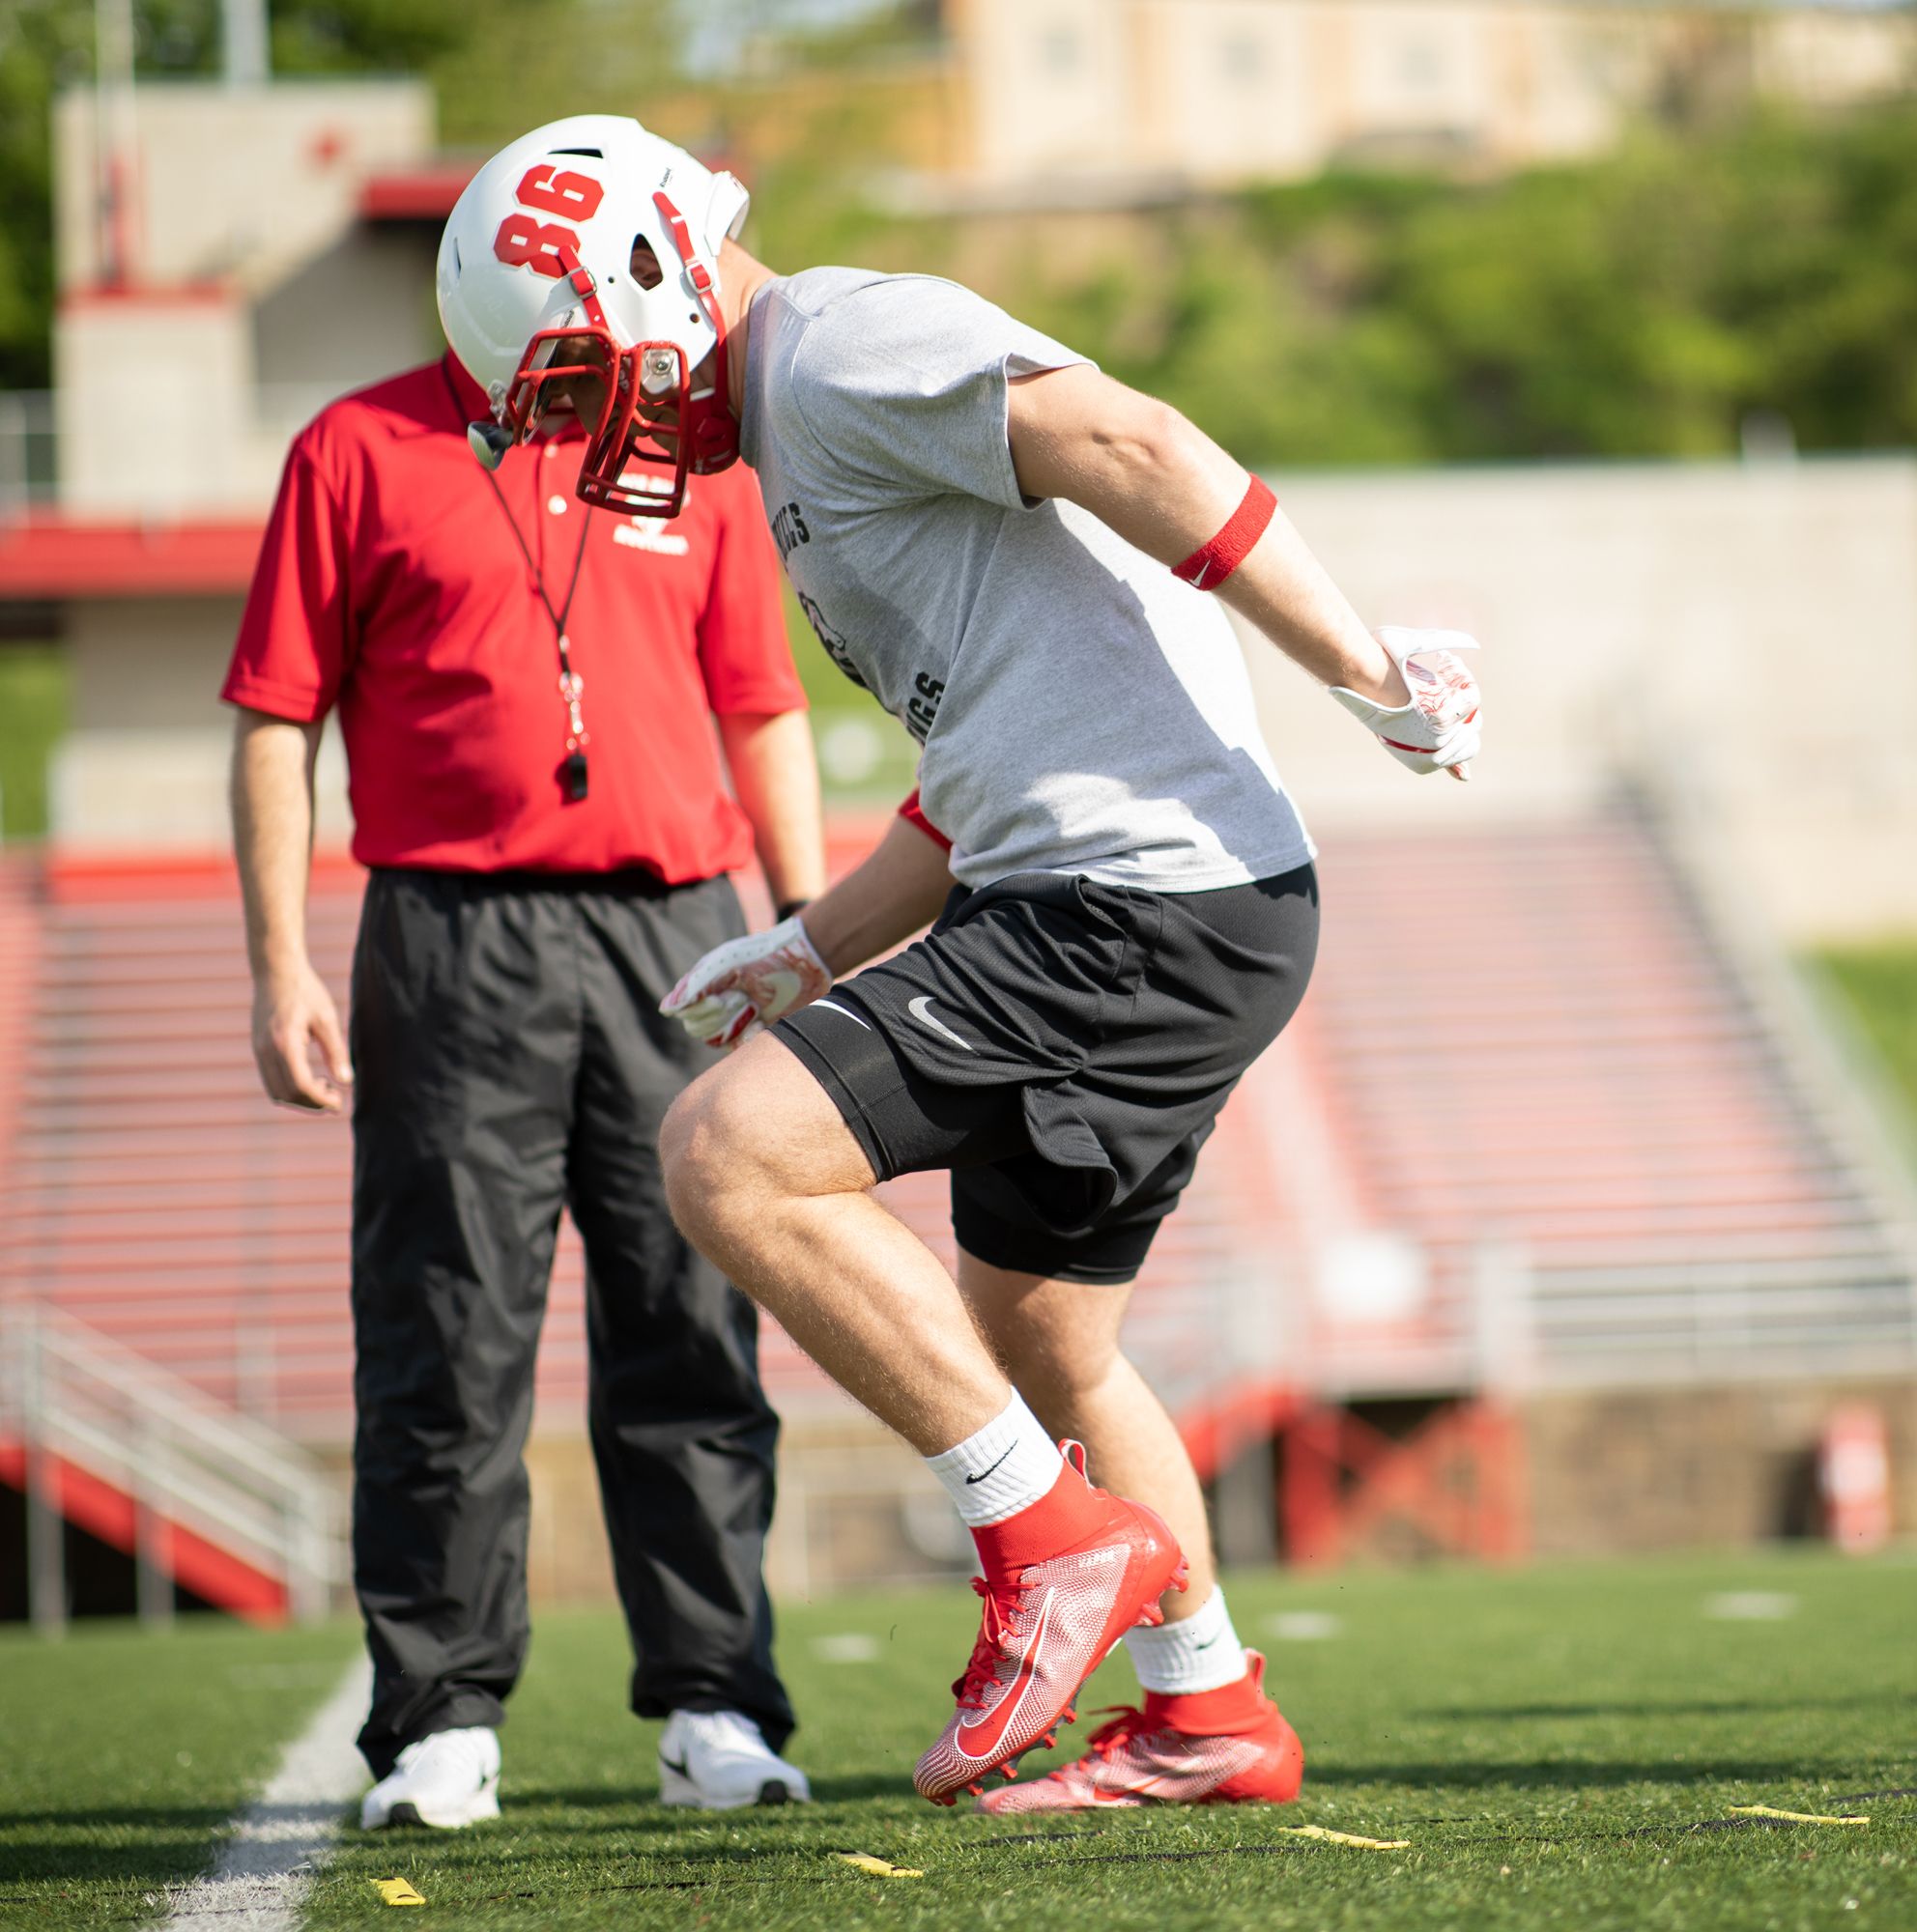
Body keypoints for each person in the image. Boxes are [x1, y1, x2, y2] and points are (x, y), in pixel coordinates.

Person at [436, 114, 1482, 1813]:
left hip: (1128, 898)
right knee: (1045, 1339)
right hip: (1148, 892)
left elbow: (1130, 437)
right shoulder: (802, 421)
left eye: (570, 385)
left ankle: (1044, 1540)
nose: (580, 432)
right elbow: (982, 751)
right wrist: (812, 943)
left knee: (725, 1154)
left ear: (646, 269)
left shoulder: (838, 351)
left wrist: (1365, 670)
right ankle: (1210, 1710)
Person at [223, 300, 824, 1826]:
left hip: (677, 934)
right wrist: (280, 961)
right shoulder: (355, 447)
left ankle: (716, 1704)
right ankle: (440, 1723)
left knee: (695, 1322)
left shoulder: (691, 451)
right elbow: (277, 717)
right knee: (443, 1332)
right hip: (448, 934)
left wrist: (809, 926)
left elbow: (762, 702)